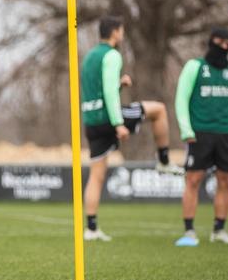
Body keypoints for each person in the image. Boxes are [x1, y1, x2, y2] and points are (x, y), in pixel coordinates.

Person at [81, 16, 183, 241]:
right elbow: (107, 92)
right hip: (108, 117)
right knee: (158, 110)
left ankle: (91, 228)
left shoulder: (89, 57)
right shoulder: (112, 54)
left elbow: (98, 89)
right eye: (121, 30)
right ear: (115, 32)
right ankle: (164, 160)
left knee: (96, 176)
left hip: (91, 120)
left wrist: (119, 85)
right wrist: (118, 123)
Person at [174, 27, 228, 247]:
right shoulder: (195, 66)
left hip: (225, 134)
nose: (224, 47)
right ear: (213, 42)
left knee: (224, 181)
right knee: (193, 180)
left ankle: (219, 229)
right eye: (221, 42)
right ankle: (189, 231)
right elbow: (181, 99)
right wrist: (186, 130)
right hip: (199, 134)